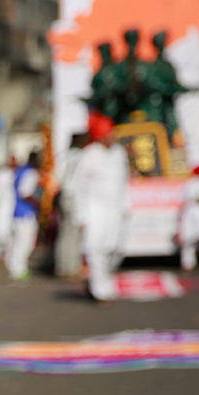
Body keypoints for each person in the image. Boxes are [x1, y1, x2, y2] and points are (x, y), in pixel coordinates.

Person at [72, 112, 131, 302]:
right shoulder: (88, 156)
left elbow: (124, 182)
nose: (113, 137)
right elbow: (79, 188)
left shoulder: (118, 153)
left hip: (116, 211)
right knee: (96, 251)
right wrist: (82, 216)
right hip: (95, 212)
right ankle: (101, 291)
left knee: (116, 250)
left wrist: (126, 205)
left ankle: (99, 282)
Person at [55, 133, 88, 278]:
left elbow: (58, 176)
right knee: (73, 234)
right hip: (74, 196)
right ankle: (71, 268)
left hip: (64, 194)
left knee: (65, 232)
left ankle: (62, 266)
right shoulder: (82, 156)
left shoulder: (65, 155)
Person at [7, 150, 41, 281]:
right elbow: (25, 193)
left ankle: (15, 268)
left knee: (18, 242)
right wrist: (39, 202)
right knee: (24, 243)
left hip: (18, 211)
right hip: (25, 212)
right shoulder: (30, 172)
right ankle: (18, 270)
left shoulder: (20, 170)